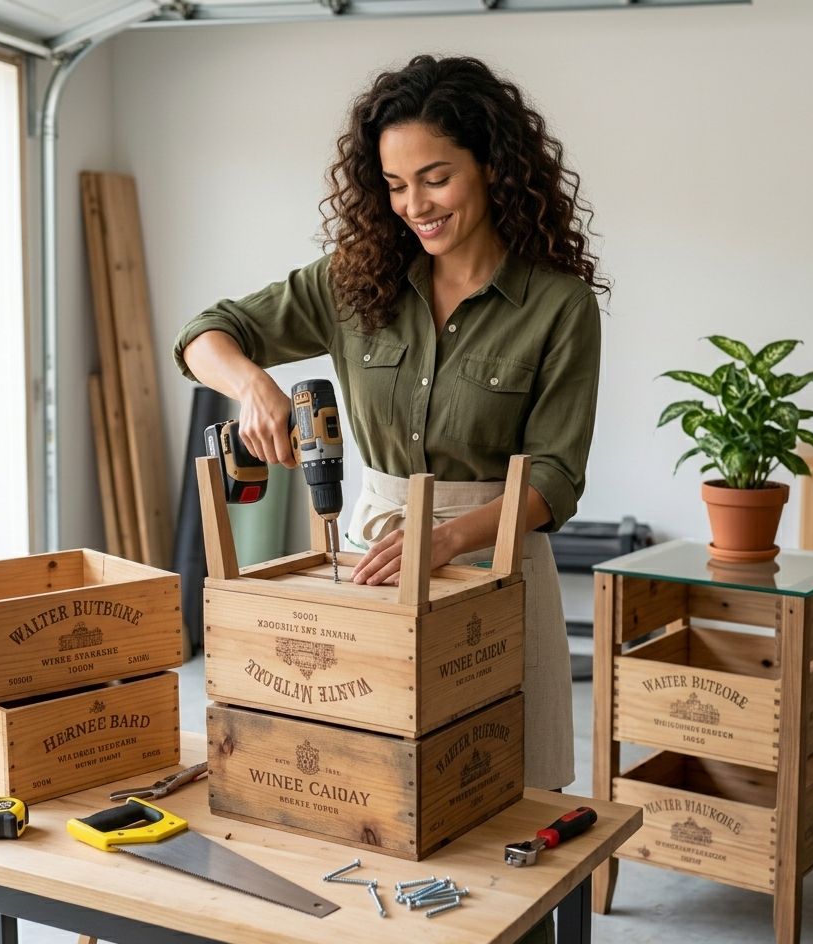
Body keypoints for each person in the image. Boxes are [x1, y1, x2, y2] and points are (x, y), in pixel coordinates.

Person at [173, 55, 606, 796]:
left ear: (493, 167)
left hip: (494, 561)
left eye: (435, 178)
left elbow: (554, 478)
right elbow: (204, 333)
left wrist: (446, 539)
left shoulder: (559, 306)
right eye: (396, 184)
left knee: (504, 790)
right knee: (373, 785)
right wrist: (252, 385)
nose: (414, 205)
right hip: (371, 558)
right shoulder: (354, 281)